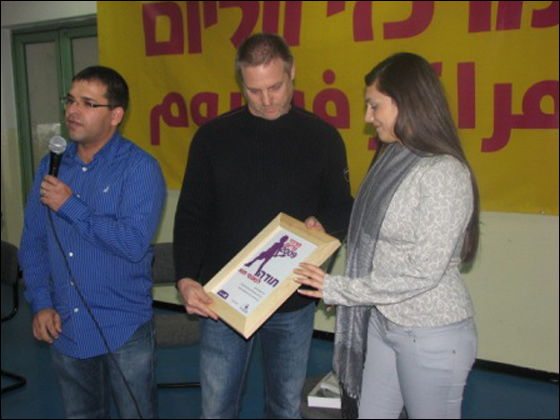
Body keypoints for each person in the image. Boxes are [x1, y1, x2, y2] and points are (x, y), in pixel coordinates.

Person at [173, 33, 353, 418]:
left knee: (284, 407)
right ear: (240, 82)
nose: (267, 100)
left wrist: (324, 224)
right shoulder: (212, 138)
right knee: (217, 408)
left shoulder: (323, 137)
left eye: (275, 87)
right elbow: (191, 214)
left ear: (292, 73)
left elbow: (343, 208)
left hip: (291, 298)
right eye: (254, 91)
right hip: (223, 300)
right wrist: (185, 277)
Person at [295, 52, 480, 419]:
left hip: (431, 333)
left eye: (374, 105)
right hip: (384, 322)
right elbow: (374, 236)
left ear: (405, 102)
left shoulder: (443, 173)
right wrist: (327, 234)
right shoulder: (393, 158)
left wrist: (341, 289)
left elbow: (422, 272)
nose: (368, 117)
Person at [19, 66, 166, 419]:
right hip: (66, 325)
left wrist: (71, 205)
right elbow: (33, 241)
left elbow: (132, 243)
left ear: (115, 115)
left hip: (123, 327)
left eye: (87, 103)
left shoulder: (140, 169)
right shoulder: (51, 166)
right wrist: (41, 302)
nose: (72, 110)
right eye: (70, 100)